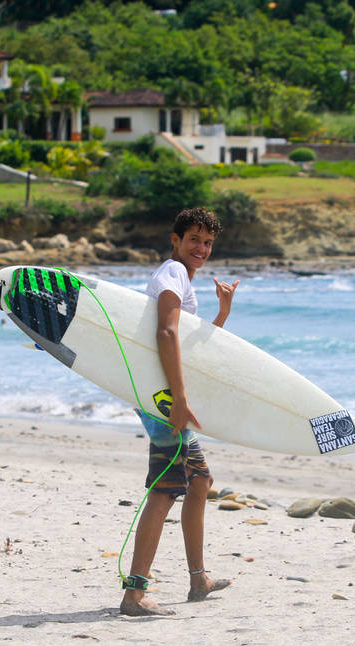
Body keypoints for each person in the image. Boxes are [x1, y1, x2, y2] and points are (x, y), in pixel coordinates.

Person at [120, 207, 240, 617]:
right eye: (194, 240)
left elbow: (187, 349)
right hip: (164, 400)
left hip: (164, 395)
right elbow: (166, 333)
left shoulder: (179, 279)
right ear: (176, 240)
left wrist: (220, 316)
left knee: (200, 480)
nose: (201, 249)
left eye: (208, 243)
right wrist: (181, 399)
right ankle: (134, 594)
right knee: (166, 489)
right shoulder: (171, 273)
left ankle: (198, 579)